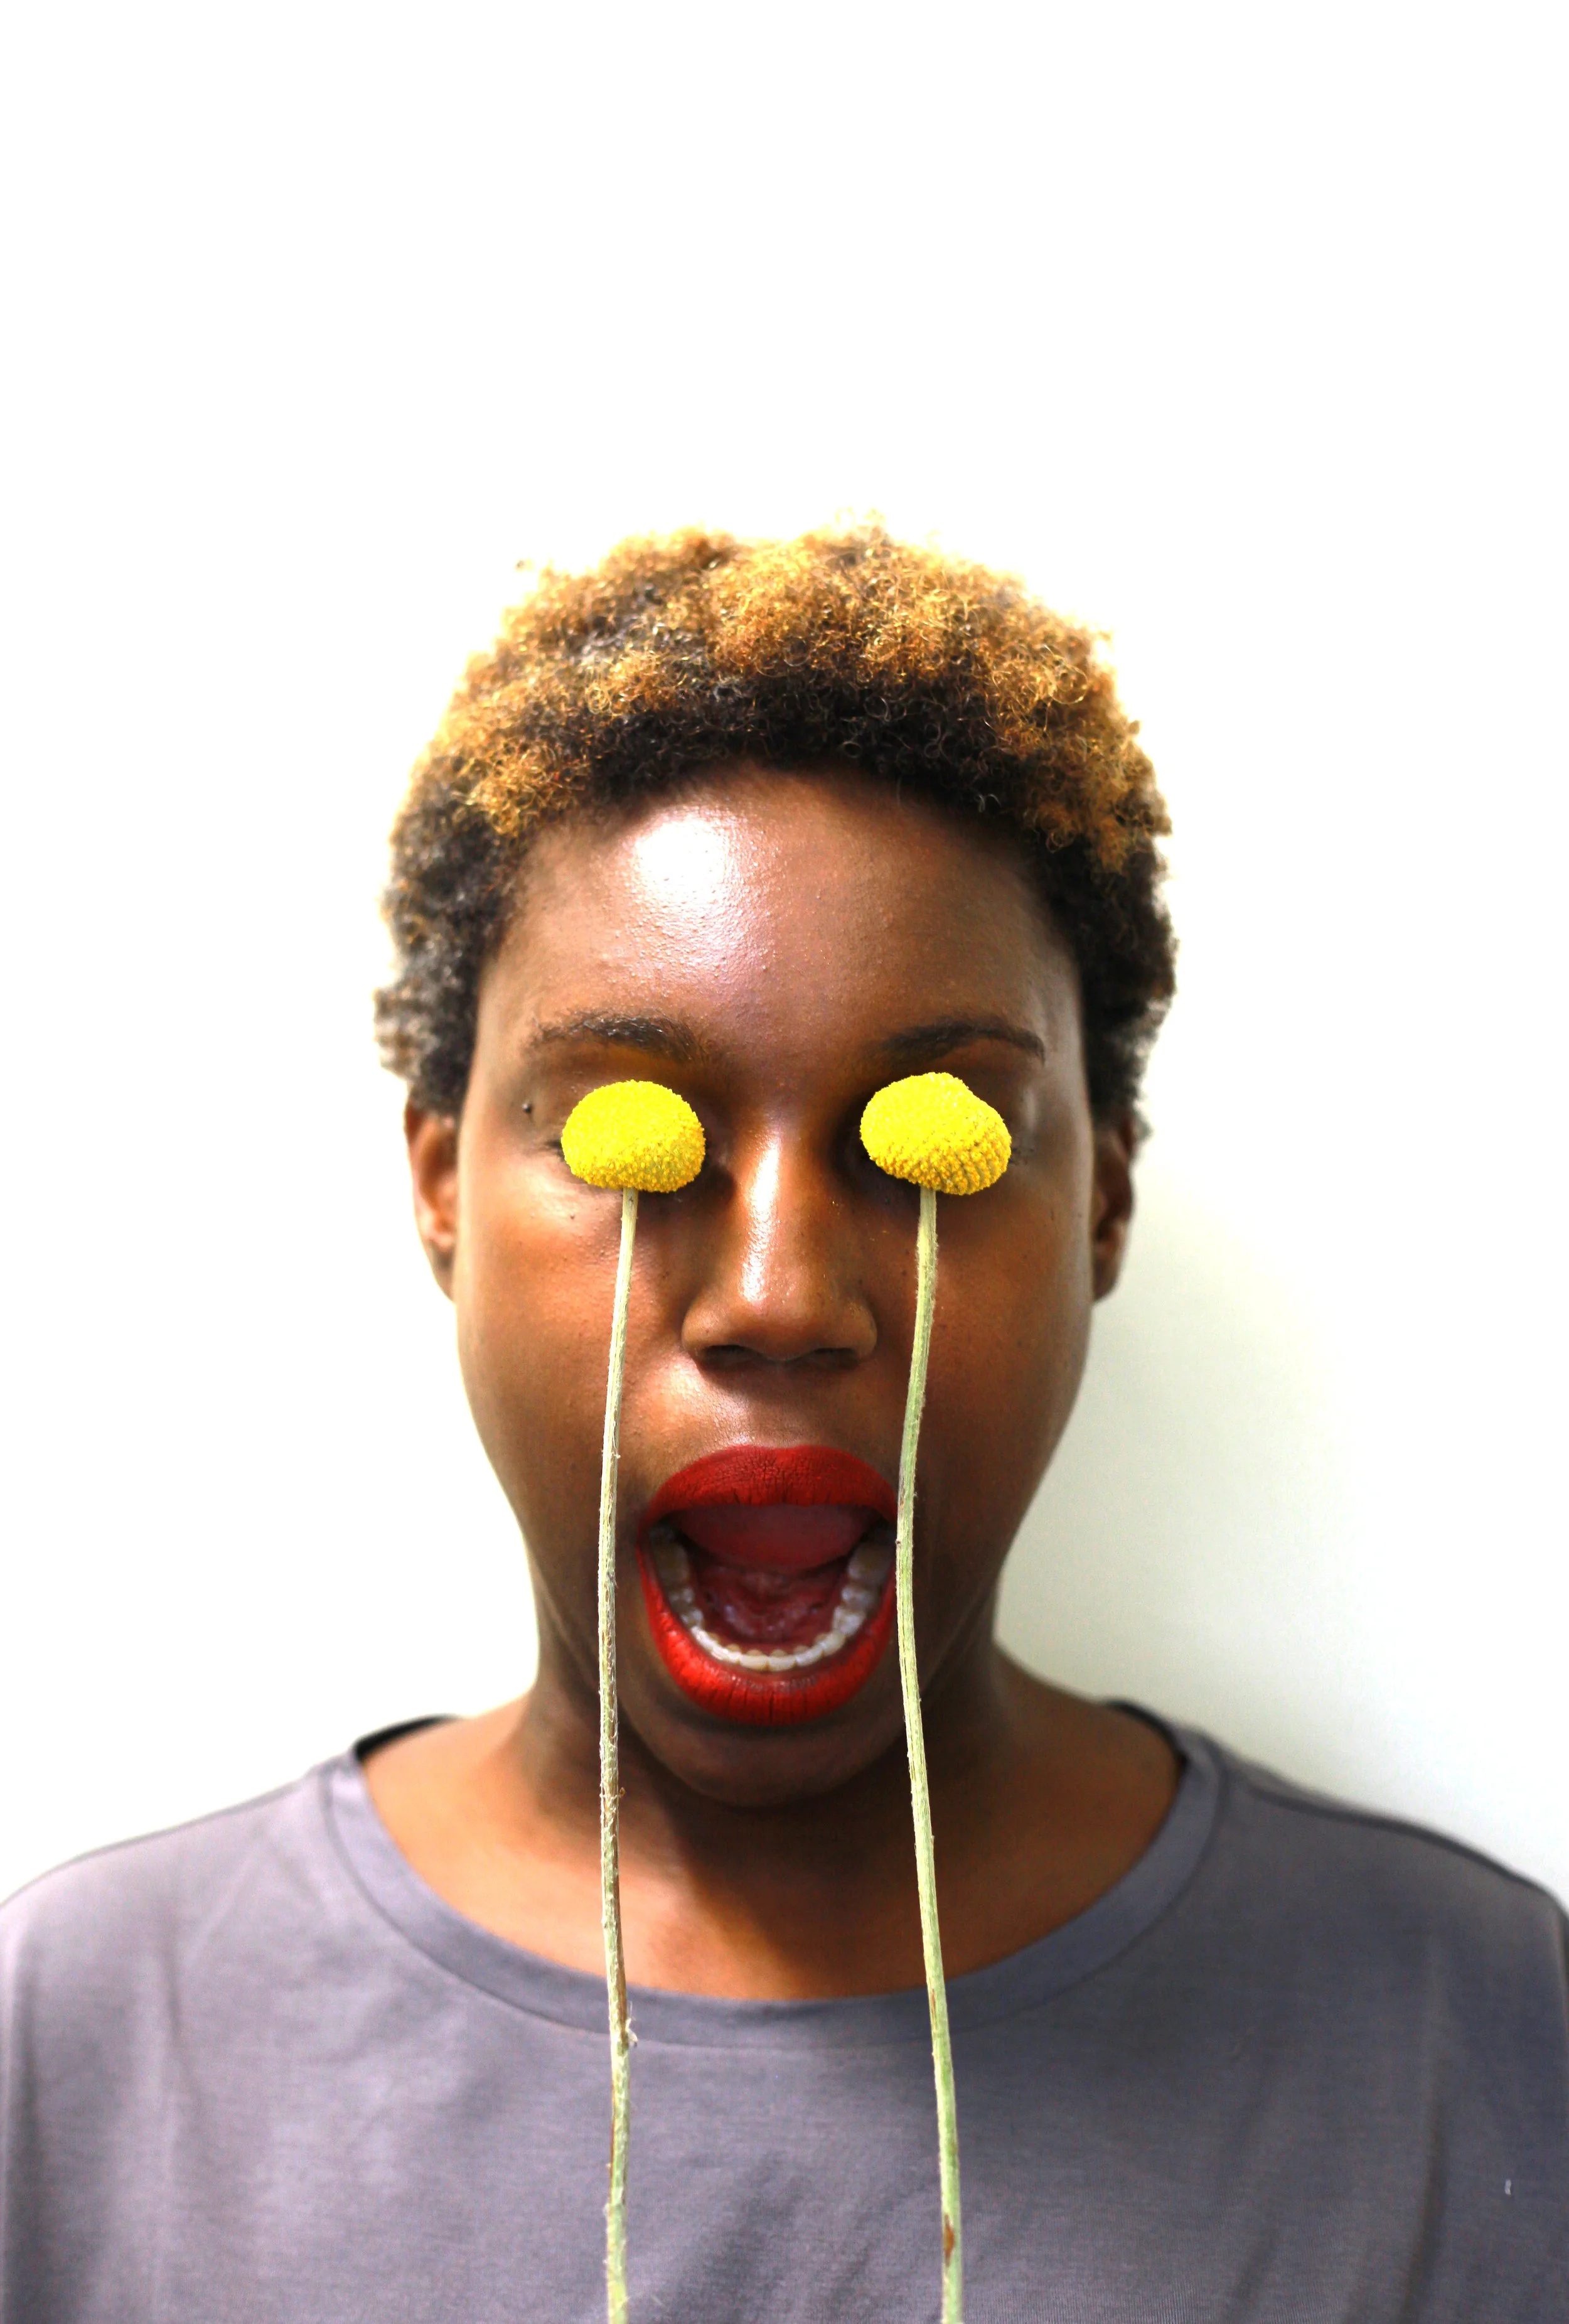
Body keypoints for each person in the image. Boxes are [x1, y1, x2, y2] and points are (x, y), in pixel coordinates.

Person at [2, 525, 1563, 2323]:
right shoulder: (78, 2041)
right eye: (627, 1133)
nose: (777, 1295)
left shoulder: (1474, 2030)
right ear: (440, 1189)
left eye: (931, 1143)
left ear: (1101, 1207)